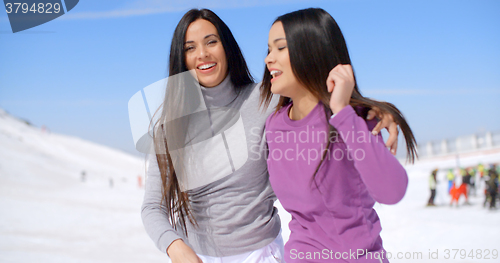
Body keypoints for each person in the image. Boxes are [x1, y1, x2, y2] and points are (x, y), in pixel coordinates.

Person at [141, 8, 400, 263]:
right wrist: (175, 248)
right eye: (190, 48)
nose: (203, 54)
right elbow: (153, 206)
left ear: (226, 47)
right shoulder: (170, 128)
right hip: (196, 256)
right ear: (181, 58)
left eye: (211, 42)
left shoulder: (267, 99)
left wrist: (368, 109)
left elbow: (314, 90)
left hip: (261, 253)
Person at [261, 8, 417, 262]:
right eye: (269, 49)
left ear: (311, 50)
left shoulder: (353, 119)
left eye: (280, 48)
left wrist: (344, 113)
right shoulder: (274, 124)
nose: (269, 58)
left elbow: (393, 191)